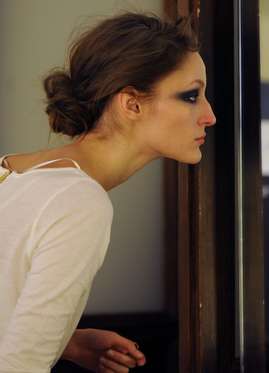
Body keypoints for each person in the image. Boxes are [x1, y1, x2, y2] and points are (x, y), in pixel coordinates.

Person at [0, 12, 216, 372]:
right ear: (131, 104)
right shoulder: (79, 202)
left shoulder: (12, 171)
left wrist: (66, 340)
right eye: (191, 96)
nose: (209, 115)